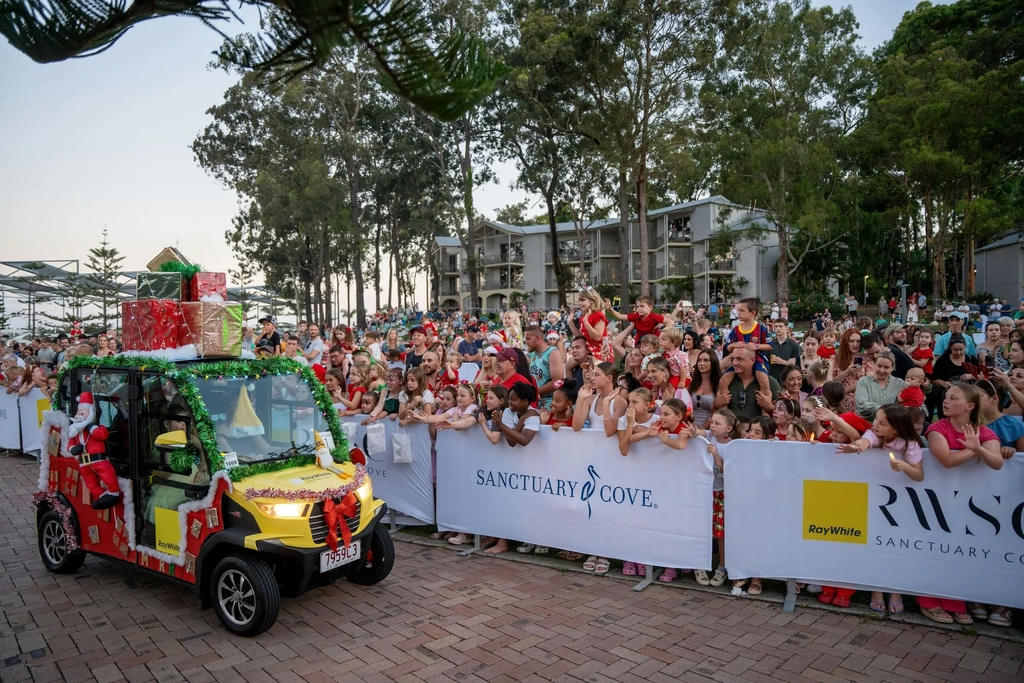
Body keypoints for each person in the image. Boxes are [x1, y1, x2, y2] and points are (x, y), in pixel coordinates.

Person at [919, 384, 1003, 625]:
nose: (945, 401)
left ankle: (956, 600)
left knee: (959, 550)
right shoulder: (937, 428)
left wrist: (978, 448)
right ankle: (929, 599)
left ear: (970, 406)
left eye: (953, 398)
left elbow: (997, 463)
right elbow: (946, 460)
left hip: (971, 505)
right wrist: (974, 451)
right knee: (934, 547)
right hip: (936, 501)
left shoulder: (982, 431)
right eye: (946, 396)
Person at [833, 404, 924, 613]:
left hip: (901, 502)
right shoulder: (873, 434)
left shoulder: (910, 444)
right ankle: (875, 589)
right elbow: (865, 442)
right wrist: (854, 447)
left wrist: (905, 467)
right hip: (874, 499)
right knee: (875, 543)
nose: (875, 424)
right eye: (876, 419)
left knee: (896, 547)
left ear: (897, 430)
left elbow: (919, 475)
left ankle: (895, 590)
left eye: (882, 423)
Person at [718, 298, 773, 404]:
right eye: (738, 310)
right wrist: (734, 345)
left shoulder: (761, 328)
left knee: (763, 379)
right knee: (724, 380)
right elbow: (728, 347)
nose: (739, 313)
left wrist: (757, 346)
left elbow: (769, 346)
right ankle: (723, 405)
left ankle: (765, 404)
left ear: (752, 313)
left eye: (742, 310)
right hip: (737, 361)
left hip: (757, 359)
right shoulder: (735, 330)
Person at [712, 347, 779, 420]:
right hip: (731, 430)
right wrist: (716, 404)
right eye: (733, 359)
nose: (734, 363)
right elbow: (713, 411)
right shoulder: (726, 381)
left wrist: (769, 407)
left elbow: (782, 417)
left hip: (757, 430)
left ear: (752, 360)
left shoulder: (770, 382)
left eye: (739, 359)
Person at [573, 362, 627, 435]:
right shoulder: (590, 399)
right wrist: (580, 398)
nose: (592, 378)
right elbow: (576, 427)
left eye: (596, 375)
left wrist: (606, 403)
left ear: (609, 378)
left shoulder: (620, 402)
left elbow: (609, 432)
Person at [854, 350, 905, 420]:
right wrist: (888, 412)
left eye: (886, 367)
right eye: (879, 366)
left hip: (891, 426)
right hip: (868, 425)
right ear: (874, 365)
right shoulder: (864, 381)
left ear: (892, 368)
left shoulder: (899, 383)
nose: (882, 370)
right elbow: (862, 405)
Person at [525, 324, 563, 410]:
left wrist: (535, 392)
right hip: (532, 403)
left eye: (528, 339)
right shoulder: (530, 355)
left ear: (537, 338)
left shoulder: (552, 353)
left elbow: (558, 382)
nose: (526, 342)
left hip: (548, 405)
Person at [567, 287, 610, 362]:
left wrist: (586, 323)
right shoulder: (584, 317)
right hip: (588, 351)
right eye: (579, 300)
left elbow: (598, 337)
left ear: (592, 300)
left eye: (582, 300)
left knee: (585, 370)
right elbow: (580, 337)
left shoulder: (598, 315)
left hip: (601, 352)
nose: (580, 303)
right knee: (568, 365)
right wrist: (570, 323)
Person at [689, 350, 721, 429]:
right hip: (690, 427)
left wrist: (701, 429)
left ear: (713, 363)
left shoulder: (719, 384)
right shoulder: (692, 383)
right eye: (699, 360)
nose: (701, 363)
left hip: (711, 429)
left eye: (706, 360)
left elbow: (719, 412)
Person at [769, 319, 801, 383]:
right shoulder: (770, 345)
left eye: (780, 326)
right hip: (772, 380)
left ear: (786, 328)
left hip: (788, 381)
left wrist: (783, 362)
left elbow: (798, 365)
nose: (778, 328)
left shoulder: (794, 346)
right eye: (776, 326)